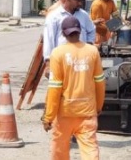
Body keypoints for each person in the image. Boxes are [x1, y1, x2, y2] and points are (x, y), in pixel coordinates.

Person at [42, 16, 106, 160]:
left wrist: (48, 117)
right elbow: (100, 82)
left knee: (60, 150)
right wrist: (99, 106)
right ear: (80, 31)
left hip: (65, 112)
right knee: (90, 149)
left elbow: (55, 88)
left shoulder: (58, 53)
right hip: (87, 111)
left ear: (63, 33)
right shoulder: (92, 51)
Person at [43, 0, 96, 78]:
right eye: (77, 1)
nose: (80, 4)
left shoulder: (83, 15)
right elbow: (49, 40)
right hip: (62, 61)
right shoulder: (54, 17)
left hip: (81, 63)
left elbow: (91, 30)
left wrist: (89, 44)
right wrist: (48, 63)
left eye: (82, 1)